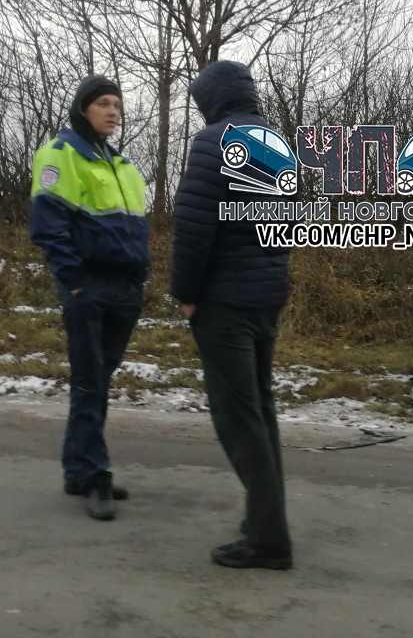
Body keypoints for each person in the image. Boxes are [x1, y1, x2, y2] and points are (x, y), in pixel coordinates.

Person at [172, 60, 294, 570]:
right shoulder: (276, 145)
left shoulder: (213, 142)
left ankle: (269, 542)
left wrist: (186, 293)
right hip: (265, 297)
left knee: (237, 419)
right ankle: (263, 520)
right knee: (259, 413)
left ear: (213, 99)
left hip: (224, 303)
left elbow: (194, 227)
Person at [30, 74, 150, 521]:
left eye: (117, 105)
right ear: (84, 109)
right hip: (89, 287)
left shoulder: (120, 165)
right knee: (90, 381)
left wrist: (140, 277)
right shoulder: (61, 155)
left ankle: (77, 470)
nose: (113, 111)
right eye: (103, 103)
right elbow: (48, 226)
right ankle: (94, 475)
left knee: (97, 379)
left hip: (124, 289)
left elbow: (136, 227)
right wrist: (74, 281)